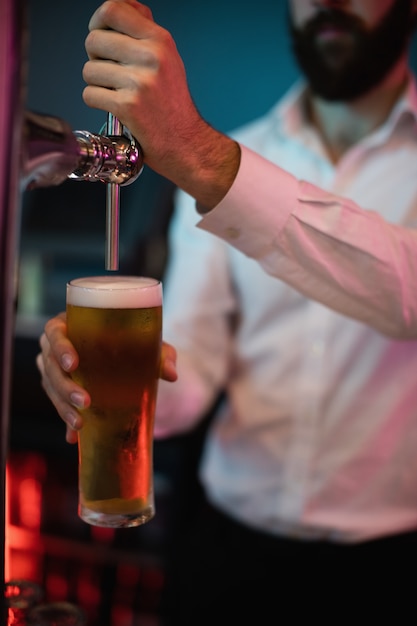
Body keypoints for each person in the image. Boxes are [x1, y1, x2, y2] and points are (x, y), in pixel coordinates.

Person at [36, 0, 417, 623]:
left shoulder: (220, 168)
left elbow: (408, 291)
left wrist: (199, 156)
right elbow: (192, 376)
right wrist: (107, 372)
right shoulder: (248, 151)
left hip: (390, 573)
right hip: (225, 553)